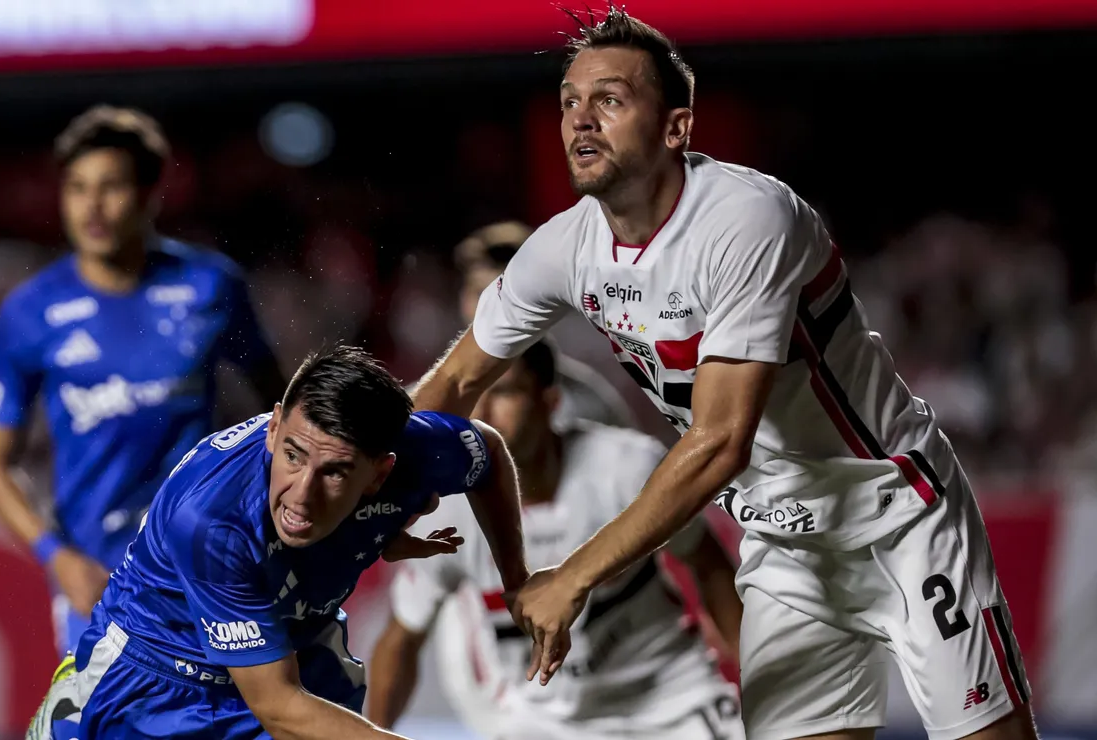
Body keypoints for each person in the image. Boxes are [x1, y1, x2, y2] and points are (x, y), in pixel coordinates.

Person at [411, 9, 1037, 740]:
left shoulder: (749, 220)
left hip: (897, 513)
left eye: (610, 99)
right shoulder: (562, 248)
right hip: (784, 543)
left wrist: (574, 575)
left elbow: (719, 442)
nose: (581, 119)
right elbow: (453, 384)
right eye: (570, 102)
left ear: (675, 128)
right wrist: (376, 488)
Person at [27, 345, 528, 740]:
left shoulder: (418, 450)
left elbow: (487, 454)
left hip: (298, 656)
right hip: (151, 685)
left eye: (334, 473)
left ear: (380, 473)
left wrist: (517, 582)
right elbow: (279, 707)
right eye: (293, 455)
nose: (301, 494)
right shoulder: (212, 521)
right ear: (272, 429)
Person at [0, 105, 286, 657]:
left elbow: (280, 410)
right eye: (77, 188)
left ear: (149, 195)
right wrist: (55, 557)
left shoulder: (210, 286)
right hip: (97, 579)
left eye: (110, 187)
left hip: (207, 562)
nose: (91, 207)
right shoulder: (29, 313)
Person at [367, 340, 744, 740]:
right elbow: (401, 639)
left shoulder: (629, 468)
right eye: (474, 397)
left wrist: (756, 681)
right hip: (543, 722)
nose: (484, 414)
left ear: (550, 401)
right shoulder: (444, 512)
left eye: (505, 392)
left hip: (672, 697)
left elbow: (711, 567)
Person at [453, 222, 636, 430]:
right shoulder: (436, 386)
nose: (490, 310)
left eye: (505, 295)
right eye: (480, 293)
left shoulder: (586, 404)